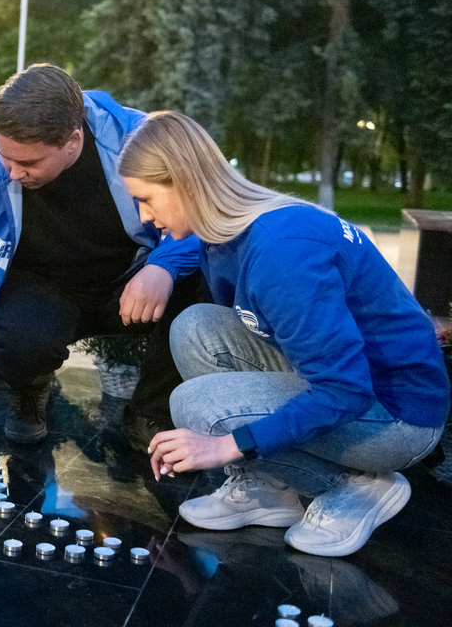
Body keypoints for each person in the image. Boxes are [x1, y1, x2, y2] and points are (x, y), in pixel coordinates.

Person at [120, 111, 450, 557]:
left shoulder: (281, 255)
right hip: (356, 383)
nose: (145, 217)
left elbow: (345, 389)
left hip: (396, 413)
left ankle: (356, 489)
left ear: (186, 183)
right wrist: (160, 265)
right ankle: (270, 486)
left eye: (147, 200)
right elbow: (187, 244)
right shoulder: (231, 228)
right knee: (195, 327)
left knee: (197, 406)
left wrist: (225, 446)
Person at [0, 64, 202, 449]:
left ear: (72, 141)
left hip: (130, 286)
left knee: (203, 280)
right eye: (5, 156)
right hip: (42, 291)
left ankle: (151, 412)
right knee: (21, 335)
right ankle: (29, 393)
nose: (11, 173)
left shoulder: (140, 140)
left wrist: (164, 264)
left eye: (28, 163)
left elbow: (206, 211)